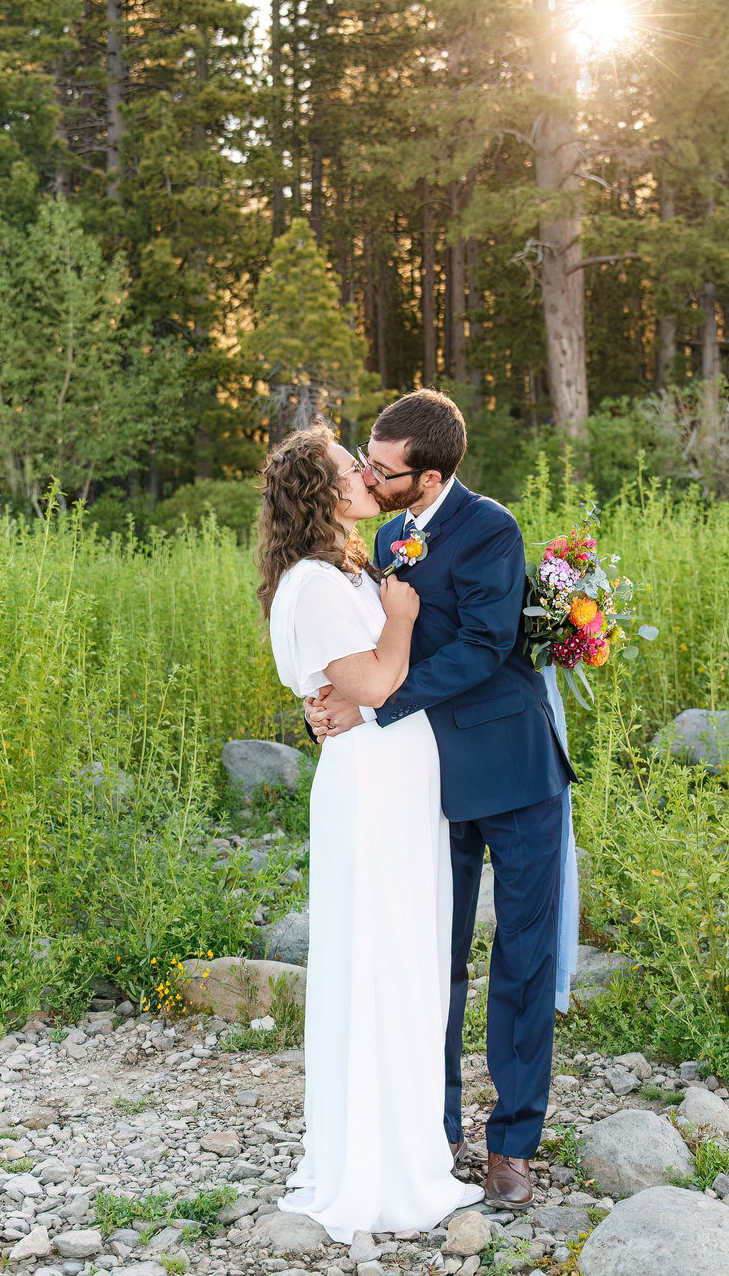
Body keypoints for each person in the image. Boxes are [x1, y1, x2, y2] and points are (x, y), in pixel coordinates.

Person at [304, 389, 575, 1210]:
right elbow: (370, 645)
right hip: (428, 780)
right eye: (369, 460)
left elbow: (488, 646)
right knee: (435, 960)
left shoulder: (492, 527)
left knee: (520, 962)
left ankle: (513, 1143)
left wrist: (378, 705)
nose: (369, 475)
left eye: (383, 468)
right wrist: (331, 697)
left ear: (427, 476)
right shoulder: (387, 536)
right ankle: (435, 1130)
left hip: (517, 772)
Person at [257, 424, 483, 1242]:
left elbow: (359, 690)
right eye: (350, 467)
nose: (365, 473)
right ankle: (375, 1170)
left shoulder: (348, 567)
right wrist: (401, 613)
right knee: (378, 955)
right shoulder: (314, 584)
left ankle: (408, 1146)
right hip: (370, 789)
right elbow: (378, 679)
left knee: (405, 954)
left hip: (397, 782)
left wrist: (387, 606)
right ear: (321, 494)